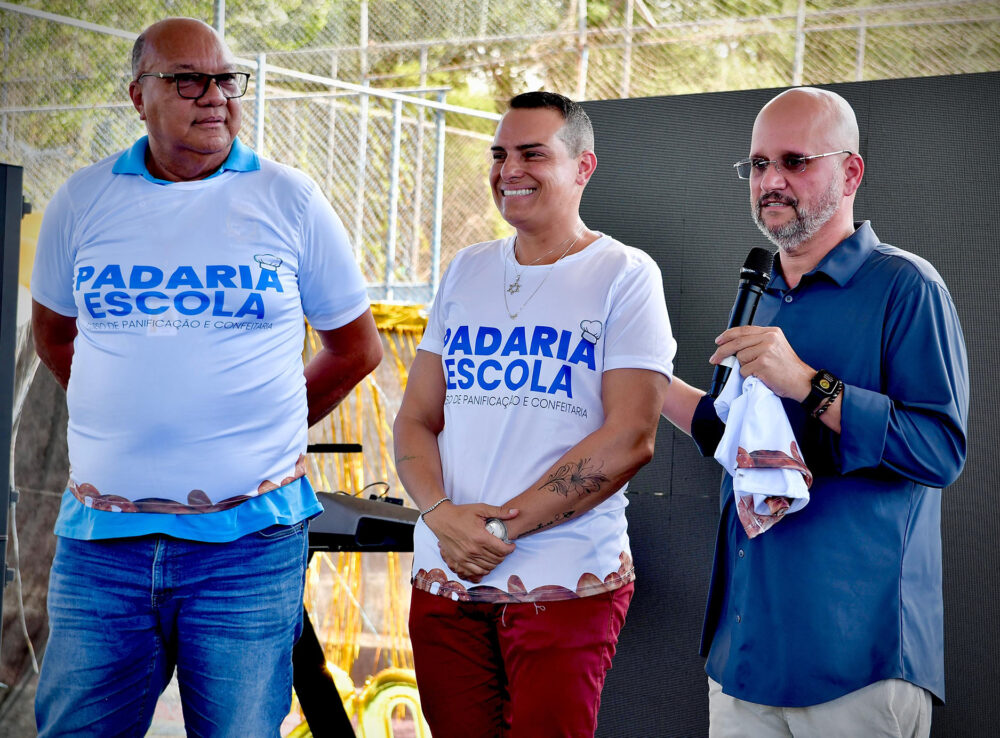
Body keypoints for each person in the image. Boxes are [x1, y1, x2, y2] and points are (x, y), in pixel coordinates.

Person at [30, 17, 382, 737]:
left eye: (226, 78)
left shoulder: (291, 200)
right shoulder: (81, 201)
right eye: (188, 80)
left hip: (247, 553)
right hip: (103, 548)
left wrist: (264, 429)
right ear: (138, 96)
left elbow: (356, 349)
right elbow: (55, 338)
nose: (215, 95)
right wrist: (128, 417)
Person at [662, 86, 969, 737]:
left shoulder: (907, 288)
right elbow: (732, 436)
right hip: (742, 659)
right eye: (759, 165)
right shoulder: (759, 291)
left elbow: (940, 451)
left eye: (795, 162)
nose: (771, 181)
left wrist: (807, 382)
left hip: (855, 665)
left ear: (850, 171)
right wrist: (645, 381)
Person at [392, 91, 675, 737]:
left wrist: (492, 529)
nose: (507, 170)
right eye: (498, 154)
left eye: (531, 154)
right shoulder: (465, 270)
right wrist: (440, 515)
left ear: (583, 167)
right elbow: (415, 419)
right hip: (445, 580)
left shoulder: (624, 274)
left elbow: (630, 436)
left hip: (564, 585)